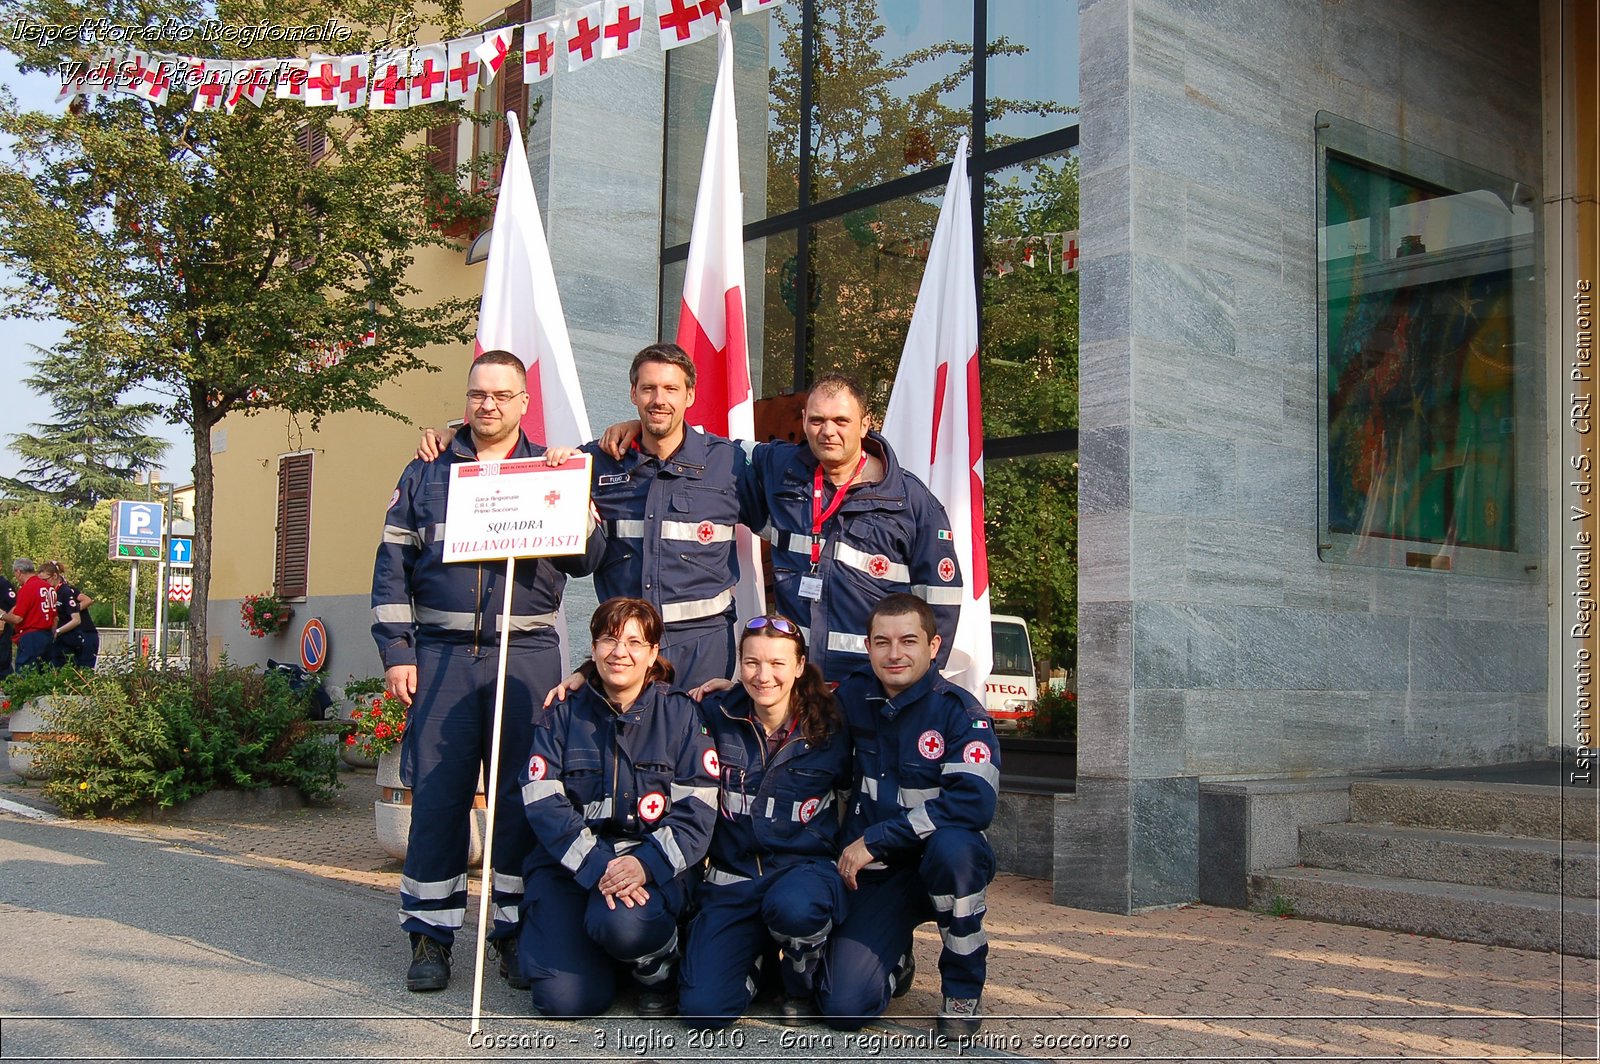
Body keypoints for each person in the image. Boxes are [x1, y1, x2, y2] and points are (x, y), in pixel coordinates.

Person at [371, 350, 606, 994]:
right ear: (466, 398)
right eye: (479, 394)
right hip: (443, 656)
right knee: (440, 798)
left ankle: (510, 933)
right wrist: (397, 651)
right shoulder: (426, 471)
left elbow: (587, 560)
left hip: (525, 653)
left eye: (503, 395)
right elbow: (391, 567)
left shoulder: (551, 469)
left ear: (524, 402)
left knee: (521, 802)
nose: (489, 406)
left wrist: (576, 496)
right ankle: (429, 935)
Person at [417, 343, 756, 689]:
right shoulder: (596, 461)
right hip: (623, 647)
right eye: (648, 389)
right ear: (632, 393)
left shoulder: (727, 464)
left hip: (702, 645)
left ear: (690, 395)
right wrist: (453, 439)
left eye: (671, 389)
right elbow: (510, 463)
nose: (659, 399)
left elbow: (779, 494)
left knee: (696, 740)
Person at [597, 373, 963, 682]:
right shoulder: (782, 466)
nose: (828, 432)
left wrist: (926, 681)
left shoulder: (910, 502)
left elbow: (941, 600)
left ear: (866, 424)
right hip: (797, 682)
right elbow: (710, 450)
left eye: (841, 421)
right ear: (804, 420)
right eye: (817, 421)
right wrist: (644, 429)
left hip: (872, 680)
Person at [517, 597, 718, 1019]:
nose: (619, 652)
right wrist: (596, 864)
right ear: (592, 650)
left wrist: (645, 865)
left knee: (622, 925)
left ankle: (656, 965)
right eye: (608, 640)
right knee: (567, 1002)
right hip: (572, 869)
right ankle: (602, 956)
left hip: (652, 870)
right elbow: (542, 800)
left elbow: (696, 811)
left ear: (652, 655)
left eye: (634, 642)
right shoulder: (563, 713)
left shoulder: (680, 714)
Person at [818, 593, 999, 1038]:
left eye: (908, 641)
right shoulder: (852, 697)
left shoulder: (961, 714)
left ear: (933, 646)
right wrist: (731, 691)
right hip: (877, 875)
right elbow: (787, 706)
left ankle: (962, 987)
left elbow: (974, 802)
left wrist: (879, 838)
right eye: (882, 642)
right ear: (868, 647)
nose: (894, 653)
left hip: (935, 862)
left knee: (957, 850)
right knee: (843, 1008)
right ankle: (895, 958)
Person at [678, 615, 852, 1029]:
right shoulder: (714, 713)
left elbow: (852, 797)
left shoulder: (833, 726)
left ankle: (800, 977)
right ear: (738, 664)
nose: (764, 675)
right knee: (704, 1012)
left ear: (799, 666)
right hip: (733, 881)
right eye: (752, 662)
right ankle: (760, 967)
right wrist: (584, 674)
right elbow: (646, 695)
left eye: (777, 663)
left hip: (802, 876)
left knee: (793, 908)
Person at [1, 558, 56, 672]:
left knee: (25, 673)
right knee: (44, 673)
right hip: (47, 635)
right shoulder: (49, 588)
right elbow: (55, 617)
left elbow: (17, 618)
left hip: (31, 637)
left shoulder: (27, 588)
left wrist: (2, 615)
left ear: (18, 572)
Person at [44, 562, 98, 670]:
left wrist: (72, 609)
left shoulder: (68, 590)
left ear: (55, 575)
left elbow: (87, 600)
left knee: (83, 669)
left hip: (84, 632)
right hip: (68, 636)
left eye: (45, 580)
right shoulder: (50, 593)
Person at [0, 564, 16, 679]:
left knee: (3, 665)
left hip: (2, 631)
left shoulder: (4, 584)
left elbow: (15, 604)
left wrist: (3, 619)